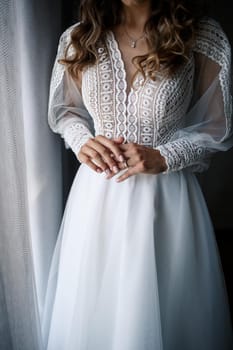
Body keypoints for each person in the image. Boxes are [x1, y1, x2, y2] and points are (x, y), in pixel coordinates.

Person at [41, 0, 233, 349]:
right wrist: (82, 141)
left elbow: (219, 126)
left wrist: (166, 155)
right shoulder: (80, 37)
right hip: (97, 201)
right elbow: (66, 111)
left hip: (167, 201)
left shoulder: (201, 35)